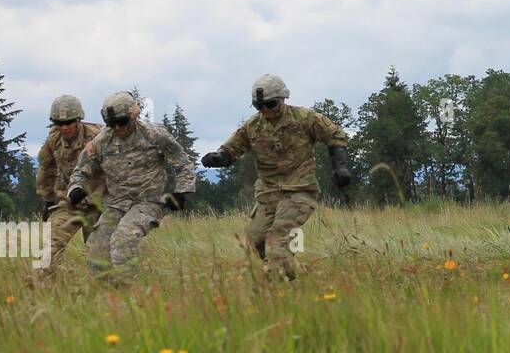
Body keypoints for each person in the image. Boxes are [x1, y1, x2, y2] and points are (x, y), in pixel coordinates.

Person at [200, 74, 352, 280]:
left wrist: (340, 167)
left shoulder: (305, 118)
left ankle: (279, 285)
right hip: (268, 194)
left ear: (282, 99)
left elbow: (336, 135)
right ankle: (291, 269)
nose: (265, 111)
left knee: (277, 242)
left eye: (270, 105)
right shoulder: (252, 126)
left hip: (300, 190)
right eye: (259, 106)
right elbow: (231, 149)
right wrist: (219, 157)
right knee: (255, 242)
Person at [67, 91, 196, 281]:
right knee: (97, 249)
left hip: (148, 202)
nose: (117, 128)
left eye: (122, 121)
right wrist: (76, 188)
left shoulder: (154, 135)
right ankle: (110, 296)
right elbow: (80, 170)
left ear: (133, 116)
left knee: (123, 240)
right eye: (112, 124)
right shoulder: (101, 142)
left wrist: (181, 192)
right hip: (116, 203)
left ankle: (128, 293)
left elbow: (184, 164)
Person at [35, 94, 104, 279]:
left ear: (78, 119)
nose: (64, 127)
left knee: (99, 256)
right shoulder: (54, 140)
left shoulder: (98, 139)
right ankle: (43, 291)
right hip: (70, 203)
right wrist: (47, 200)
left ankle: (105, 295)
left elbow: (118, 169)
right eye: (59, 122)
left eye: (69, 122)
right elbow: (46, 169)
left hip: (100, 205)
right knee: (50, 248)